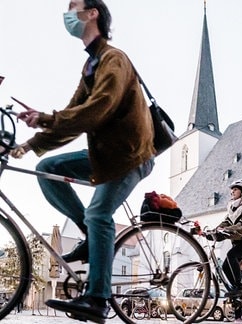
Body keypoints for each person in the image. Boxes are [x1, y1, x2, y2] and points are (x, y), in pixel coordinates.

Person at [10, 0, 155, 322]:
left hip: (130, 154)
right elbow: (72, 119)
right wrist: (29, 143)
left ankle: (98, 300)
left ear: (93, 14)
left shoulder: (113, 59)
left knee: (99, 213)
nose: (67, 13)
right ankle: (90, 236)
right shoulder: (90, 66)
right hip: (105, 154)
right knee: (47, 168)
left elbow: (97, 109)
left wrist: (47, 118)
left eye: (73, 6)